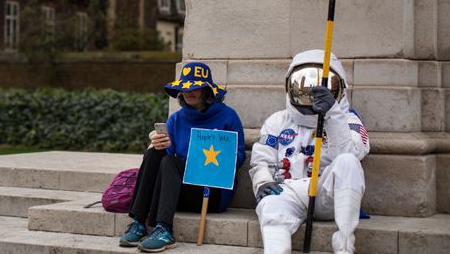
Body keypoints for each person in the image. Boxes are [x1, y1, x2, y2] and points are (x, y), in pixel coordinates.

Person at [250, 49, 370, 254]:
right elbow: (261, 159)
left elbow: (350, 153)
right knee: (270, 206)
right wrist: (262, 182)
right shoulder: (277, 121)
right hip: (287, 191)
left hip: (327, 194)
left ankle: (343, 245)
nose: (308, 95)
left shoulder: (348, 121)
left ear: (339, 88)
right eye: (301, 87)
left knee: (349, 161)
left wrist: (333, 114)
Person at [118, 61, 246, 252]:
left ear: (207, 91)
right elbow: (165, 164)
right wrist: (158, 145)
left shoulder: (228, 116)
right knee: (154, 153)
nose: (189, 92)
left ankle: (164, 229)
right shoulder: (176, 119)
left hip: (211, 191)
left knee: (171, 161)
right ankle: (139, 221)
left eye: (196, 88)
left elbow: (241, 156)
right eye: (185, 88)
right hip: (180, 189)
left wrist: (214, 156)